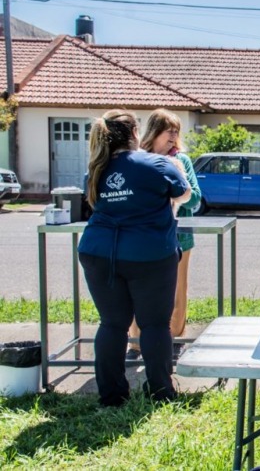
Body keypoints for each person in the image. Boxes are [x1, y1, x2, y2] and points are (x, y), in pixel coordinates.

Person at [79, 109, 191, 406]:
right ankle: (160, 392)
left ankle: (111, 395)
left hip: (98, 252)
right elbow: (183, 193)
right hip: (149, 254)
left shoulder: (96, 167)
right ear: (134, 134)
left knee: (112, 324)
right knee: (154, 325)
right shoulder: (155, 163)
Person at [126, 109, 202, 361]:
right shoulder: (137, 158)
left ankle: (175, 339)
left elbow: (196, 199)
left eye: (176, 131)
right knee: (139, 290)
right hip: (142, 237)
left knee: (177, 289)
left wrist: (173, 191)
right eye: (168, 131)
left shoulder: (183, 160)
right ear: (154, 131)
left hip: (180, 237)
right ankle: (135, 344)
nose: (173, 136)